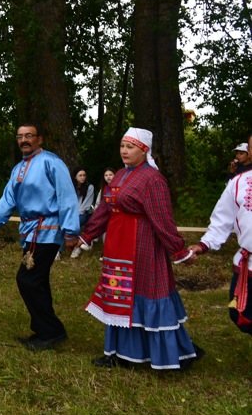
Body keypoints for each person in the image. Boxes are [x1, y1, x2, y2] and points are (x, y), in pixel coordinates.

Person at [67, 127, 201, 370]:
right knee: (119, 295)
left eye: (130, 147)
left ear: (144, 150)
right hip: (117, 246)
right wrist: (87, 235)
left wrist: (178, 250)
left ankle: (169, 351)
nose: (124, 151)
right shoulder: (119, 175)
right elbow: (104, 210)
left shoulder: (153, 179)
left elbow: (163, 220)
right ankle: (118, 352)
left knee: (144, 294)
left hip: (143, 246)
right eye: (122, 146)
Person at [0, 123, 80, 351]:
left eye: (29, 135)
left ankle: (52, 332)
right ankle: (44, 331)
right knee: (37, 281)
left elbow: (67, 196)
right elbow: (8, 198)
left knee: (28, 279)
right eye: (20, 136)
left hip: (48, 229)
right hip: (30, 232)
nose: (24, 140)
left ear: (40, 139)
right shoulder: (18, 168)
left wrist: (70, 231)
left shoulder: (52, 162)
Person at [188, 134, 252, 337]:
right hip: (248, 263)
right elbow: (222, 218)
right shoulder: (239, 182)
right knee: (240, 314)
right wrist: (204, 244)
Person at [68, 167, 95, 258]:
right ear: (75, 177)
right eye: (80, 175)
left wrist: (74, 216)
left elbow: (86, 205)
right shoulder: (71, 187)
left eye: (84, 175)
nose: (83, 177)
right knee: (63, 225)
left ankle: (76, 247)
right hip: (72, 214)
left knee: (75, 223)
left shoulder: (89, 187)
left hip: (84, 214)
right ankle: (59, 251)